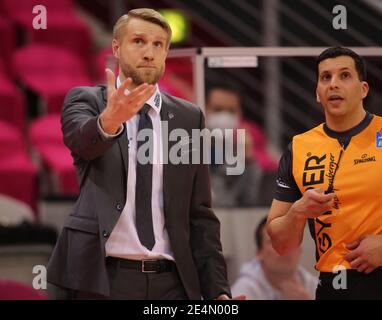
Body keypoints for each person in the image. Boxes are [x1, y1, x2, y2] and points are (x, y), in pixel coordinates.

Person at [47, 8, 242, 300]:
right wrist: (111, 120)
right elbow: (82, 142)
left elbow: (199, 215)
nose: (149, 53)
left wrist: (218, 291)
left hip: (171, 282)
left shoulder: (189, 117)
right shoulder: (86, 99)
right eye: (138, 41)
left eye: (158, 44)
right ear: (116, 47)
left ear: (166, 52)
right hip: (103, 278)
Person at [267, 46, 382, 300]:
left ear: (363, 89)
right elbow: (281, 244)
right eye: (325, 78)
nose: (333, 85)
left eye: (344, 76)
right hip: (332, 287)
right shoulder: (299, 147)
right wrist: (298, 213)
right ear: (318, 93)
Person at [205, 83, 277, 207]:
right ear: (204, 108)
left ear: (239, 113)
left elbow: (251, 201)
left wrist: (249, 160)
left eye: (231, 111)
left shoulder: (243, 152)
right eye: (218, 109)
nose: (224, 116)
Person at [231, 217, 317, 300]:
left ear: (300, 250)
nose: (284, 248)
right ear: (259, 253)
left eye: (291, 240)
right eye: (274, 242)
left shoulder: (314, 286)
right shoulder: (243, 291)